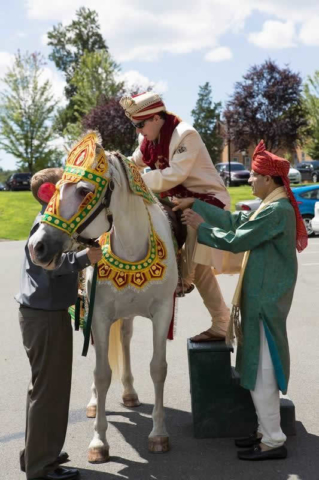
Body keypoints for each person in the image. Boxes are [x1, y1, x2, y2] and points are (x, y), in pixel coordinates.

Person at [174, 140, 308, 460]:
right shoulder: (271, 205)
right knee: (256, 371)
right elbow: (236, 223)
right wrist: (197, 203)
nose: (247, 180)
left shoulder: (277, 210)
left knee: (262, 373)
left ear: (269, 180)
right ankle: (264, 431)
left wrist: (200, 227)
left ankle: (273, 440)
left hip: (264, 302)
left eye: (253, 175)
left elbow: (237, 240)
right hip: (259, 299)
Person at [119, 91, 230, 341]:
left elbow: (173, 175)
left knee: (197, 266)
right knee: (202, 269)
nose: (138, 131)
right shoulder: (148, 140)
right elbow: (133, 162)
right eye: (135, 126)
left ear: (156, 118)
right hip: (179, 201)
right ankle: (222, 321)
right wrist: (112, 165)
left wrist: (132, 180)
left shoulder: (185, 134)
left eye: (140, 124)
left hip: (206, 200)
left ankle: (183, 279)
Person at [15, 168, 102, 480]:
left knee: (41, 389)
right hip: (46, 317)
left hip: (40, 314)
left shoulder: (49, 222)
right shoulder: (44, 226)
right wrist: (85, 259)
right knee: (49, 393)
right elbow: (46, 262)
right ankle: (42, 466)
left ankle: (37, 453)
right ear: (50, 193)